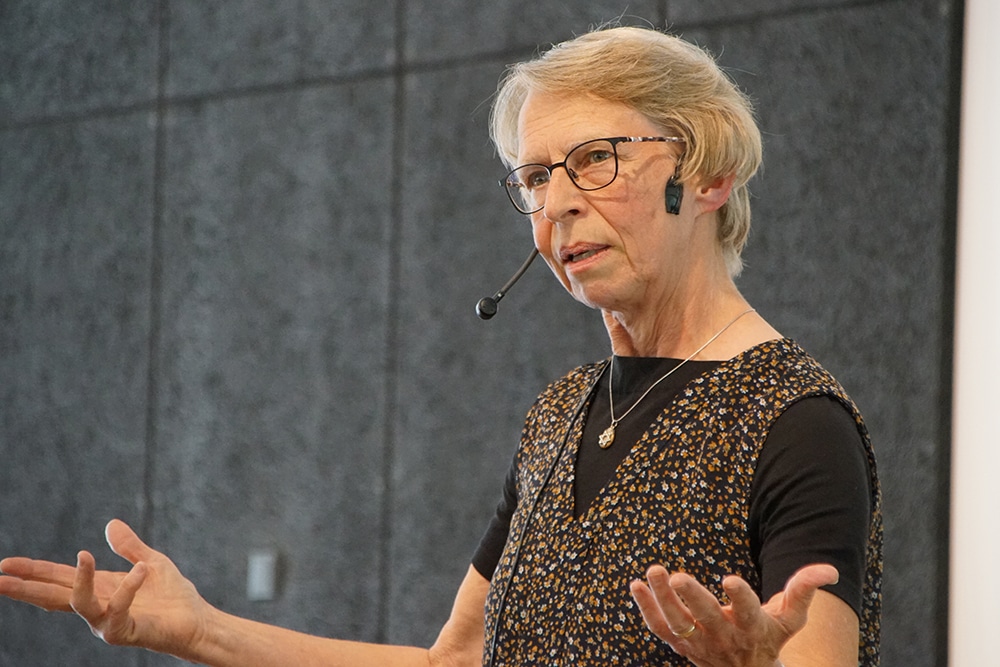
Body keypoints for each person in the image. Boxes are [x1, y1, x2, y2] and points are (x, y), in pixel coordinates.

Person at [0, 25, 881, 667]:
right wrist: (201, 629)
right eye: (535, 177)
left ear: (711, 175)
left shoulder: (794, 420)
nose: (557, 203)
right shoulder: (559, 414)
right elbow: (453, 661)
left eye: (595, 159)